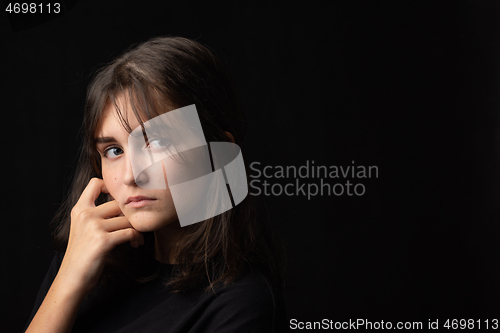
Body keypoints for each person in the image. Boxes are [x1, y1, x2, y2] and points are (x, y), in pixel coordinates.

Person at [24, 36, 289, 333]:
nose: (130, 176)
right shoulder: (81, 257)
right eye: (114, 150)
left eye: (157, 143)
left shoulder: (240, 304)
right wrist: (68, 280)